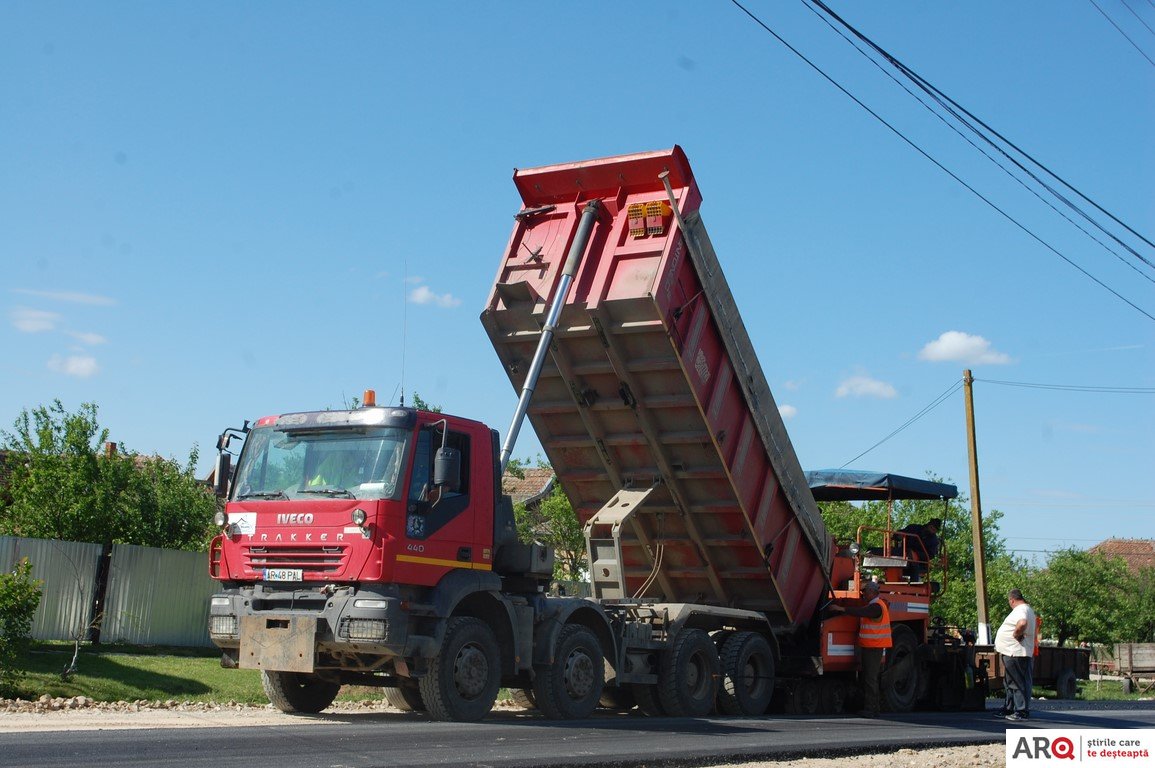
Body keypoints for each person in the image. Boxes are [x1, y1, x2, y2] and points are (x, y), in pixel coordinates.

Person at [828, 579, 891, 717]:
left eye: (865, 592)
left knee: (870, 678)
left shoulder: (876, 607)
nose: (863, 595)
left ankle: (871, 709)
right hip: (870, 646)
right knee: (869, 678)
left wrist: (842, 609)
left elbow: (862, 612)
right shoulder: (874, 605)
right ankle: (873, 708)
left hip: (874, 647)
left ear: (873, 592)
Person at [994, 588, 1036, 721]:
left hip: (1017, 652)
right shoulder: (1026, 609)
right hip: (1012, 652)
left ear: (1012, 600)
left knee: (1018, 682)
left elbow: (1022, 623)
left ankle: (1021, 711)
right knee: (1010, 682)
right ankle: (1010, 707)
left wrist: (1015, 634)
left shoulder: (1021, 610)